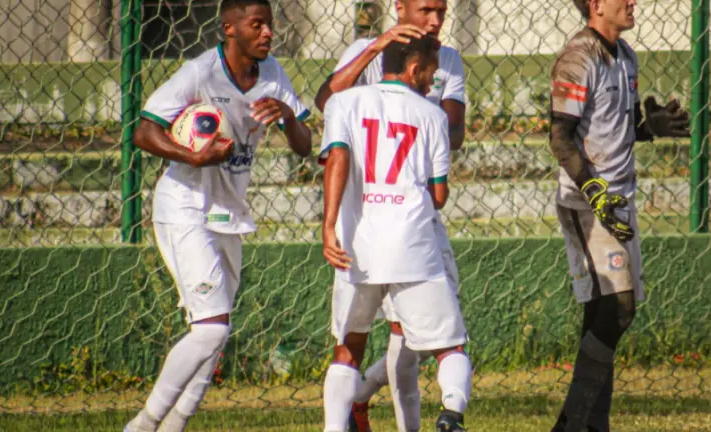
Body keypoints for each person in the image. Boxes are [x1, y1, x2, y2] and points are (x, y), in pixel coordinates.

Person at [123, 0, 311, 430]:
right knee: (210, 329)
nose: (267, 33)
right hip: (185, 204)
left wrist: (285, 116)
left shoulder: (274, 75)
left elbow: (304, 145)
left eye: (270, 25)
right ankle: (143, 425)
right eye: (257, 24)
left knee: (216, 333)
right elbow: (144, 131)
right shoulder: (200, 73)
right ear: (229, 28)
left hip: (228, 214)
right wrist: (193, 154)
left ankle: (173, 426)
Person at [314, 1, 467, 430]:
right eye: (426, 9)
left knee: (394, 336)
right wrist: (375, 50)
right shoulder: (366, 52)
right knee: (438, 339)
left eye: (442, 10)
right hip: (402, 222)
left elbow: (455, 133)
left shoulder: (447, 58)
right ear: (399, 7)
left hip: (372, 229)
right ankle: (435, 414)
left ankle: (372, 413)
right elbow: (325, 99)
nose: (436, 20)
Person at [548, 0, 690, 430]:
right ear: (595, 5)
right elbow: (560, 136)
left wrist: (650, 129)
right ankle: (571, 425)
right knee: (618, 309)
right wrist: (594, 191)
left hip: (619, 202)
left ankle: (593, 424)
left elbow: (613, 128)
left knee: (602, 315)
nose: (633, 3)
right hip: (587, 204)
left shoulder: (625, 56)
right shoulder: (577, 58)